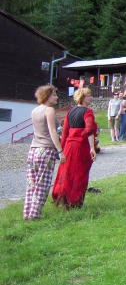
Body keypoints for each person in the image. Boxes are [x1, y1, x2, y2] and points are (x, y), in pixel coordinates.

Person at [23, 85, 66, 220]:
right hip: (46, 150)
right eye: (54, 95)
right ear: (47, 96)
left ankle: (27, 213)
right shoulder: (49, 110)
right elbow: (52, 132)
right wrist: (60, 151)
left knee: (32, 183)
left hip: (33, 150)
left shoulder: (35, 110)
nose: (57, 97)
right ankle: (35, 214)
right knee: (42, 183)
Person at [51, 87, 97, 209]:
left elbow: (65, 132)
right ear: (83, 98)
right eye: (89, 96)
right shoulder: (88, 112)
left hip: (69, 146)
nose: (91, 98)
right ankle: (75, 201)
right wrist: (92, 148)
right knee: (80, 173)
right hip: (81, 146)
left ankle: (63, 198)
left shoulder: (70, 112)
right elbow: (89, 130)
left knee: (66, 172)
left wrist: (61, 149)